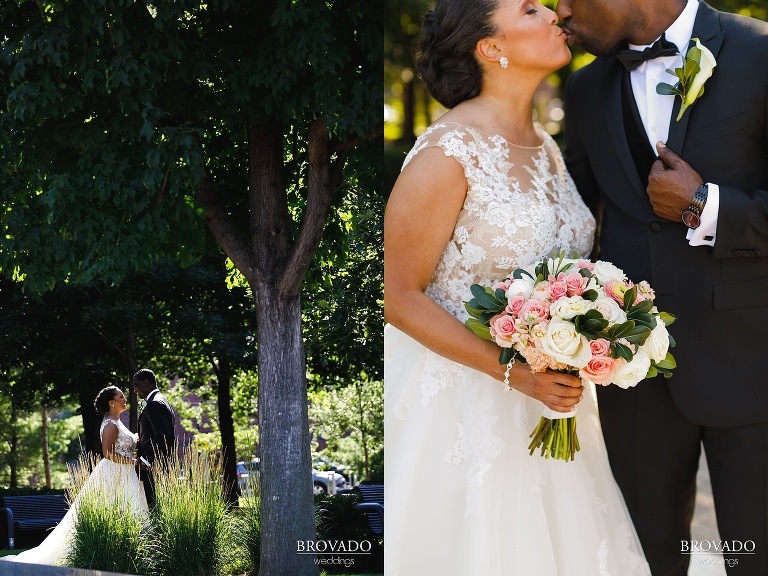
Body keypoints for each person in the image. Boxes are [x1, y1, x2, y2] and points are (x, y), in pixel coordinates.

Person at [383, 0, 650, 573]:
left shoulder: (546, 146)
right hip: (470, 409)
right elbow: (399, 297)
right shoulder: (444, 154)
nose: (556, 13)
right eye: (530, 9)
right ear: (490, 48)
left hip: (553, 406)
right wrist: (513, 372)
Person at [557, 0, 768, 573]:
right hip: (632, 373)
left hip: (752, 359)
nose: (560, 12)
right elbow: (576, 222)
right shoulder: (583, 89)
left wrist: (707, 206)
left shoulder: (760, 51)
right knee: (646, 558)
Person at [1, 386, 148, 566]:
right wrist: (134, 462)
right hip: (114, 474)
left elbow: (122, 445)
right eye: (120, 397)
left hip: (125, 474)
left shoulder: (116, 420)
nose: (124, 399)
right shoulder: (110, 424)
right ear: (111, 402)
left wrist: (134, 439)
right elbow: (109, 454)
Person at [132, 368, 175, 509]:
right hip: (158, 466)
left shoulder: (154, 404)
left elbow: (163, 436)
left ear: (146, 383)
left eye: (136, 385)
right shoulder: (161, 400)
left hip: (153, 467)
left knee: (153, 508)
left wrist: (144, 459)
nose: (134, 390)